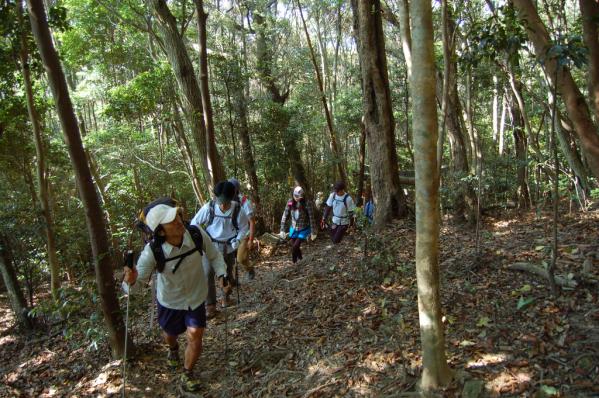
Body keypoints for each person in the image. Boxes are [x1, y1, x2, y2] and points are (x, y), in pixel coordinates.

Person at [123, 200, 227, 393]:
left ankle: (187, 373)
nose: (179, 221)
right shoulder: (151, 252)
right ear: (161, 231)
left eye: (177, 216)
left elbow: (214, 255)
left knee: (195, 335)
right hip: (170, 301)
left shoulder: (195, 234)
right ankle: (173, 349)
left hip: (196, 297)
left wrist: (222, 274)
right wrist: (130, 280)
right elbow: (133, 289)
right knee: (170, 334)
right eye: (171, 221)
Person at [191, 181, 249, 318]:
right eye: (220, 201)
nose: (222, 204)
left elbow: (244, 228)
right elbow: (194, 224)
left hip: (228, 248)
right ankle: (210, 306)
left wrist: (238, 240)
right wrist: (203, 238)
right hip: (210, 247)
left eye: (225, 201)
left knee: (226, 274)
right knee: (207, 275)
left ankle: (226, 298)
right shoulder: (209, 208)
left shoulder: (238, 210)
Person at [279, 186, 317, 263]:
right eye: (296, 196)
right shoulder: (290, 202)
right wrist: (282, 229)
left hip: (304, 228)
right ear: (293, 195)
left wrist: (313, 232)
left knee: (295, 247)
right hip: (293, 228)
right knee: (294, 246)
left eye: (299, 197)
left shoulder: (307, 203)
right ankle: (301, 260)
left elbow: (311, 218)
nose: (297, 198)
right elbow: (285, 215)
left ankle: (294, 263)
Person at [229, 178, 256, 280]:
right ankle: (233, 281)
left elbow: (252, 222)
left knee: (241, 259)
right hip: (230, 235)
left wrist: (251, 240)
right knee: (230, 260)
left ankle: (249, 269)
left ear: (236, 190)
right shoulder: (226, 201)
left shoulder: (244, 202)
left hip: (244, 234)